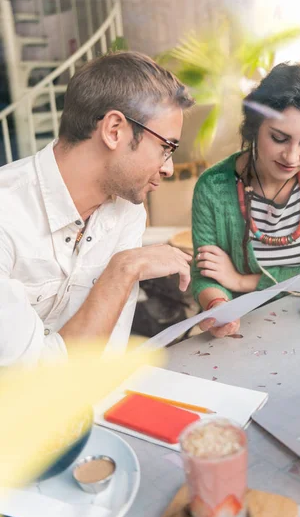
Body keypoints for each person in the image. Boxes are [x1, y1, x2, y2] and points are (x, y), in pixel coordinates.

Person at [0, 51, 194, 365]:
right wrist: (123, 270)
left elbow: (101, 360)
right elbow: (31, 384)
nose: (169, 168)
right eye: (166, 147)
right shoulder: (6, 215)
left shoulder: (128, 212)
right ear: (114, 129)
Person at [191, 63, 300, 337]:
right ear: (255, 126)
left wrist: (243, 281)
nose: (292, 158)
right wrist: (218, 306)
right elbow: (206, 274)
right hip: (250, 326)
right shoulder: (214, 187)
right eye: (279, 138)